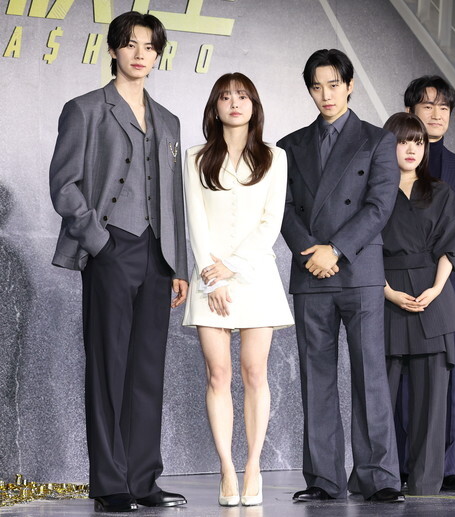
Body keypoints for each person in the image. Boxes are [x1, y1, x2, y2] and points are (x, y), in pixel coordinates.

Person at [48, 11, 188, 513]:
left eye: (149, 46)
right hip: (111, 250)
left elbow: (174, 199)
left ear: (157, 54)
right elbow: (64, 185)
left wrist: (180, 265)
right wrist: (99, 242)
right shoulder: (84, 109)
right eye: (130, 44)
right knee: (108, 368)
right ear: (112, 50)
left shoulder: (169, 120)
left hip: (158, 255)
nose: (139, 54)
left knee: (147, 370)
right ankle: (110, 483)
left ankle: (144, 480)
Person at [278, 48, 404, 503]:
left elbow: (380, 206)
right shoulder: (290, 145)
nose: (326, 94)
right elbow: (283, 209)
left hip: (359, 271)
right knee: (316, 378)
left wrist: (336, 249)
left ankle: (380, 477)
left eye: (334, 84)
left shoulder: (377, 140)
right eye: (317, 87)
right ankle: (324, 479)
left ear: (350, 85)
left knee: (371, 376)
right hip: (311, 272)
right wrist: (311, 252)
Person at [181, 73, 294, 507]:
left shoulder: (274, 157)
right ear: (215, 106)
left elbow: (270, 223)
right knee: (218, 374)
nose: (234, 103)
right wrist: (214, 277)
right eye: (226, 96)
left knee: (254, 373)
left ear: (254, 106)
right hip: (209, 278)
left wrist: (232, 269)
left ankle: (253, 467)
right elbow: (195, 221)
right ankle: (227, 469)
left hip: (255, 277)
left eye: (242, 96)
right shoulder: (195, 157)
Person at [403, 75, 455, 490]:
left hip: (450, 290)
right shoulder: (391, 163)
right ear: (410, 111)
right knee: (403, 380)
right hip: (400, 288)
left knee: (448, 379)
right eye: (427, 105)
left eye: (443, 107)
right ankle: (403, 466)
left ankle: (446, 466)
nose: (436, 114)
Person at [382, 113, 455, 495]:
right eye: (403, 141)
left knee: (432, 401)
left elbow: (453, 245)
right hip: (386, 297)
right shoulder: (374, 192)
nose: (412, 148)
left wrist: (435, 289)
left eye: (418, 141)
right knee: (379, 399)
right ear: (388, 146)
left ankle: (425, 483)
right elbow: (364, 246)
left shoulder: (441, 192)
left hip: (434, 298)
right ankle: (379, 479)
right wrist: (386, 291)